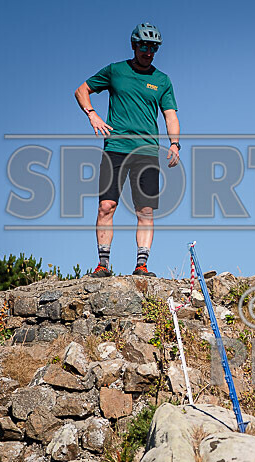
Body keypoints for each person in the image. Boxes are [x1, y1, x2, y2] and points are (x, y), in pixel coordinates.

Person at [74, 22, 180, 278]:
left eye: (154, 47)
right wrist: (92, 115)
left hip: (146, 152)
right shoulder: (115, 71)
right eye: (144, 46)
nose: (149, 52)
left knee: (145, 210)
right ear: (134, 45)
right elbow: (82, 90)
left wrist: (175, 143)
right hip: (116, 148)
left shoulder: (162, 80)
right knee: (106, 206)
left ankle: (141, 266)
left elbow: (170, 115)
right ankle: (102, 265)